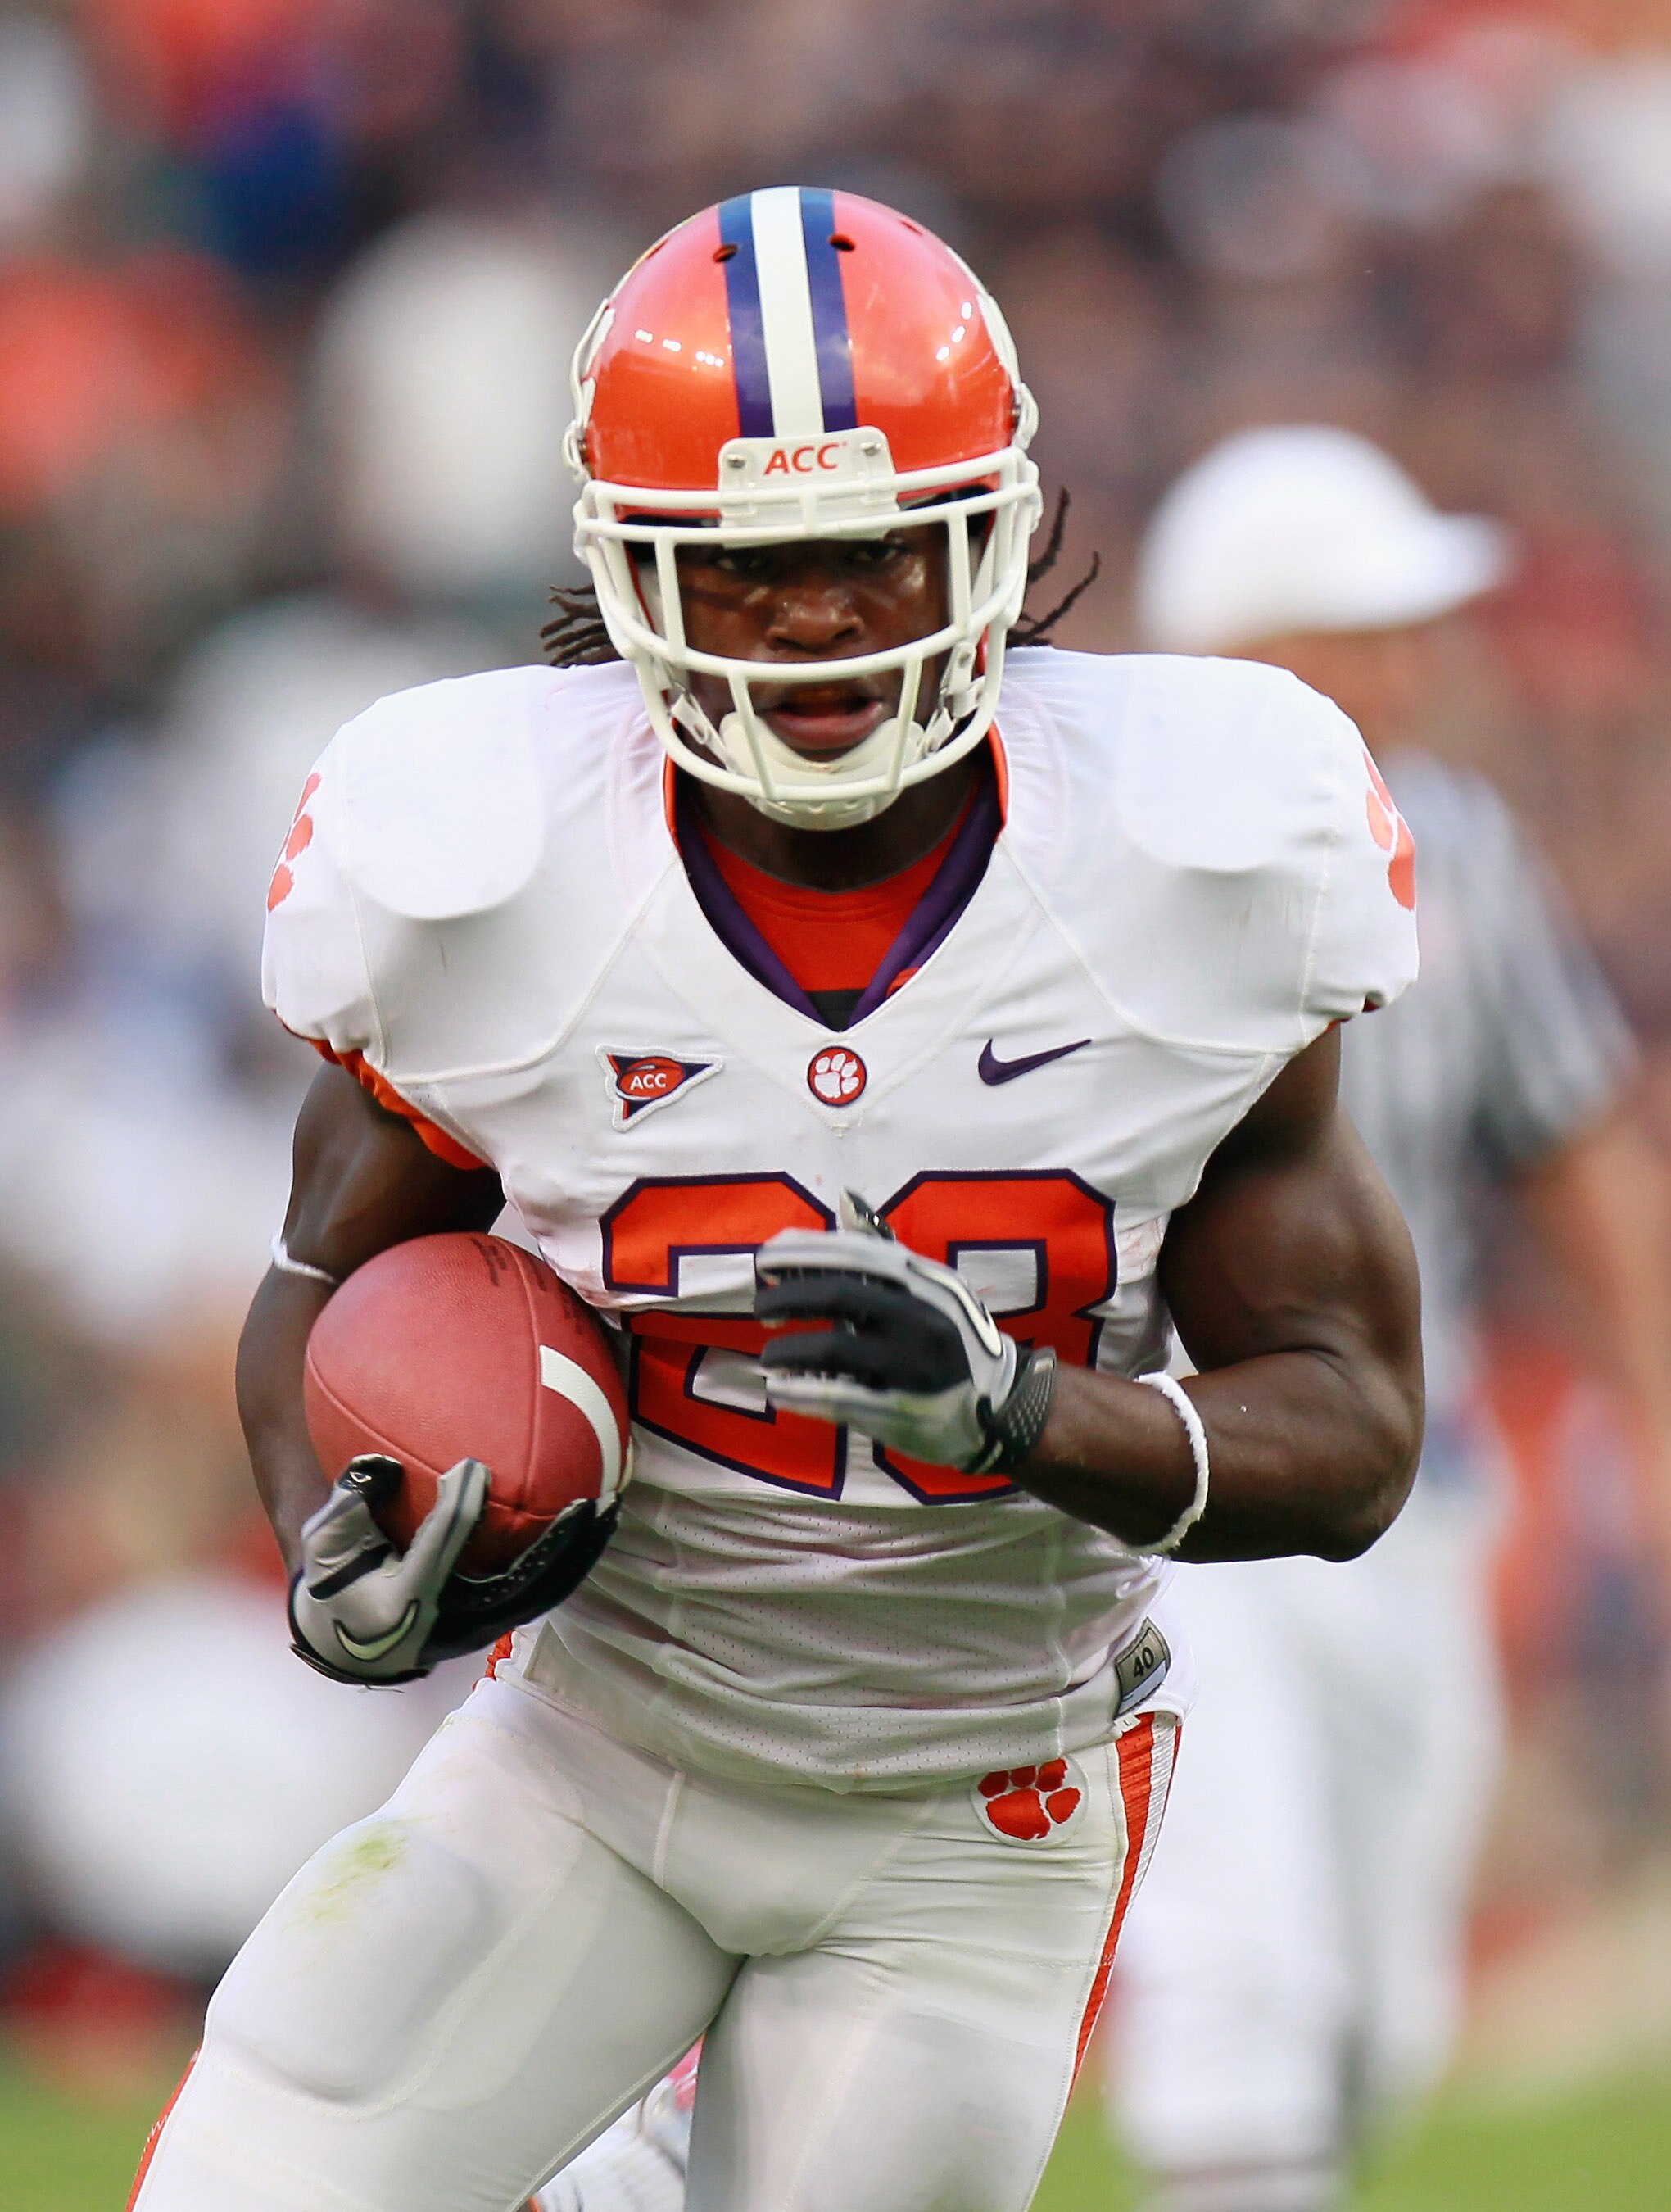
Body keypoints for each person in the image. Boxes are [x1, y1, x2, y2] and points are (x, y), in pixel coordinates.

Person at [130, 194, 1425, 2212]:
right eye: (744, 567)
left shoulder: (1196, 870)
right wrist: (338, 1545)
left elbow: (1351, 1430)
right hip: (595, 1747)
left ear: (991, 532)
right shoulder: (485, 878)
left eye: (870, 550)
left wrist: (1021, 1420)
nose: (817, 613)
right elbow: (322, 1287)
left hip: (973, 1796)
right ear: (630, 572)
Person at [1104, 425, 1671, 2212]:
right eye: (1376, 625)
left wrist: (1655, 1426)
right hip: (1176, 1472)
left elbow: (1576, 1144)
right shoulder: (1105, 856)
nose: (1424, 658)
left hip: (1407, 1497)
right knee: (1239, 1950)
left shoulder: (1462, 848)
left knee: (1377, 2008)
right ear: (1265, 656)